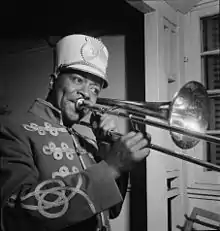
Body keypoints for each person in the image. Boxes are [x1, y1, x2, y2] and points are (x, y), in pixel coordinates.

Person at [0, 34, 151, 231]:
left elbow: (112, 210)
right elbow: (15, 214)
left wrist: (106, 149)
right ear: (53, 82)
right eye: (78, 80)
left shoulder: (86, 142)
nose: (86, 94)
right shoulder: (12, 128)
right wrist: (111, 168)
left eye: (95, 89)